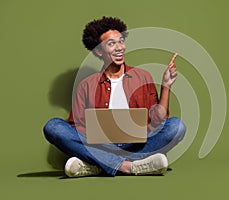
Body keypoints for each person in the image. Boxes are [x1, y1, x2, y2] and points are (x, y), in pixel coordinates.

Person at [43, 16, 186, 177]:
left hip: (137, 144)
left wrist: (166, 85)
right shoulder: (86, 85)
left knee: (177, 127)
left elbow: (158, 120)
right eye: (111, 44)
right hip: (101, 145)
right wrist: (96, 135)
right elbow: (76, 126)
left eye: (121, 41)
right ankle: (129, 166)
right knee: (53, 127)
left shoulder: (143, 76)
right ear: (98, 50)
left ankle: (98, 165)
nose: (119, 48)